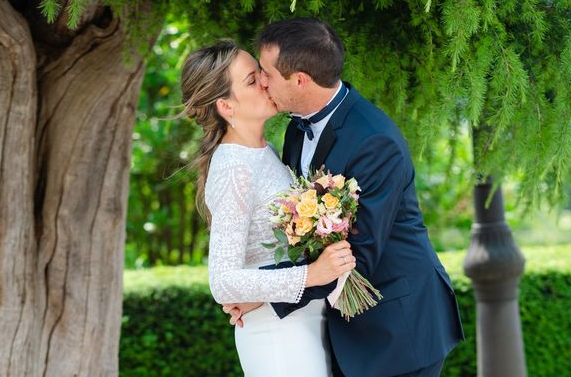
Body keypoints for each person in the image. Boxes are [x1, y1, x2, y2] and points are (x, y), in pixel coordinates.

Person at [224, 19, 465, 377]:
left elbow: (357, 258)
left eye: (267, 73)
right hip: (340, 326)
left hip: (397, 328)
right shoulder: (295, 128)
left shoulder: (374, 142)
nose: (261, 81)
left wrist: (264, 293)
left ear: (300, 80)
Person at [180, 40, 357, 377]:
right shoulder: (234, 166)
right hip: (277, 337)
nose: (265, 81)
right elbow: (223, 281)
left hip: (298, 320)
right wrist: (312, 274)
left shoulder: (265, 150)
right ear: (226, 107)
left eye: (260, 73)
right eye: (251, 80)